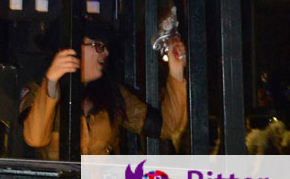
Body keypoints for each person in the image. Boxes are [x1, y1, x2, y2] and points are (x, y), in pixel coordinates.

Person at [21, 17, 187, 158]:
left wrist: (176, 72)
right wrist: (51, 82)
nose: (106, 53)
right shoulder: (38, 90)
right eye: (99, 46)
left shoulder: (112, 94)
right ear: (72, 49)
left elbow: (165, 127)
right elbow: (35, 138)